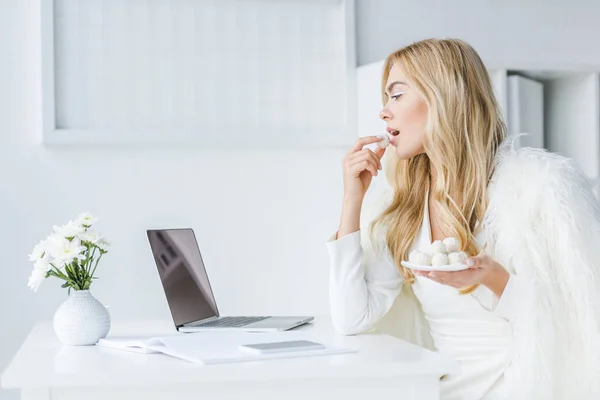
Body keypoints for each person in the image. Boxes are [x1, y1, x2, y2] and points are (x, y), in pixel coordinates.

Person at [326, 38, 600, 400]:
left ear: (440, 97)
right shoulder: (404, 210)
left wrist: (494, 278)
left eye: (396, 95)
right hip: (444, 391)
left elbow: (573, 321)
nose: (384, 112)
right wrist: (352, 200)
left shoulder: (534, 193)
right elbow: (352, 318)